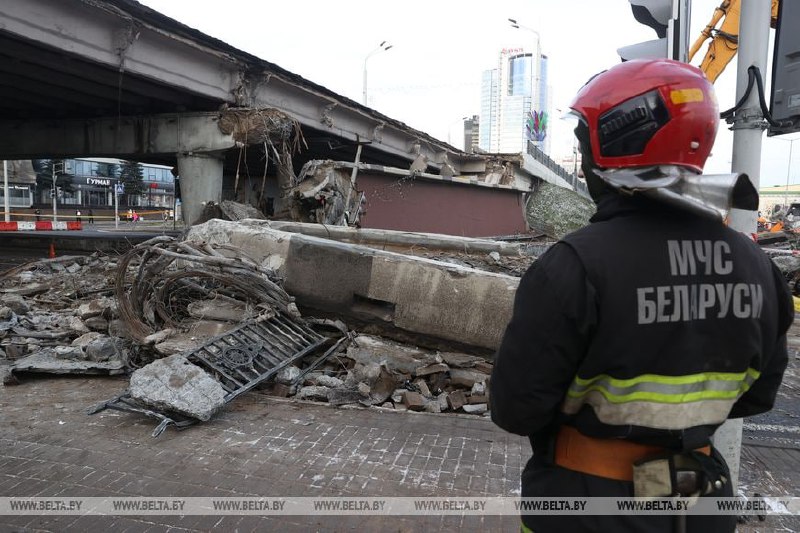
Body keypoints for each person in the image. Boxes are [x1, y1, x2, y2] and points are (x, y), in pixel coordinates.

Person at [490, 59, 793, 533]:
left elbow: (516, 408)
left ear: (614, 141)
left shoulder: (573, 266)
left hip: (589, 505)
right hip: (699, 499)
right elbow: (756, 398)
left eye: (584, 142)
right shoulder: (760, 268)